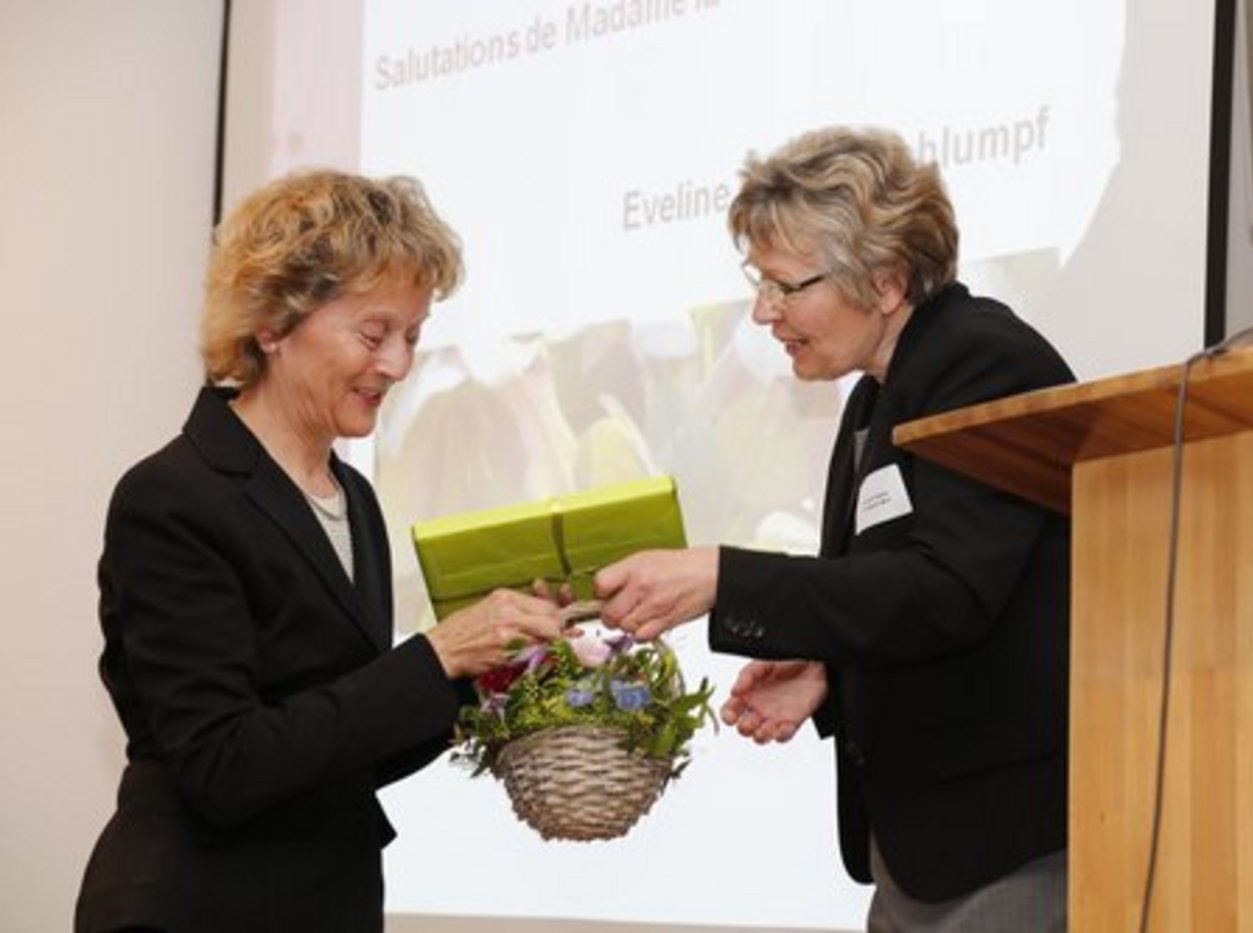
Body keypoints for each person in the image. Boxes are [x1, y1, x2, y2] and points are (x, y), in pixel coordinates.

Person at [595, 126, 1075, 931]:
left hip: (1007, 845)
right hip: (918, 851)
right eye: (760, 282)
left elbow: (949, 590)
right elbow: (914, 594)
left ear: (885, 281)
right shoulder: (875, 395)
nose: (761, 311)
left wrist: (722, 576)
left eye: (786, 285)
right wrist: (832, 670)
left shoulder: (984, 361)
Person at [75, 170, 566, 933]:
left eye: (412, 335)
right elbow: (224, 765)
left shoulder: (353, 498)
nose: (399, 365)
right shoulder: (171, 497)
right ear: (272, 322)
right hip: (198, 906)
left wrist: (488, 670)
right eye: (374, 334)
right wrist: (436, 655)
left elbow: (345, 750)